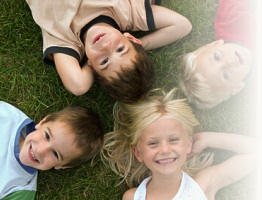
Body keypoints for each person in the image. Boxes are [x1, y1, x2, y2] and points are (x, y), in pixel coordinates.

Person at [101, 88, 256, 200]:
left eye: (173, 140)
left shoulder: (203, 183)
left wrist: (205, 139)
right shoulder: (133, 197)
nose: (165, 149)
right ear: (138, 153)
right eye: (153, 143)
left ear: (188, 144)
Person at [25, 0, 192, 103]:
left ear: (90, 66)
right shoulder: (127, 13)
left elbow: (78, 85)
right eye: (121, 49)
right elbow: (182, 25)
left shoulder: (66, 39)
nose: (106, 47)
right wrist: (140, 45)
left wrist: (94, 66)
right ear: (131, 39)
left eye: (104, 62)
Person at [0, 101, 104, 200]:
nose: (40, 150)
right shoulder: (6, 116)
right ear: (43, 121)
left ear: (63, 165)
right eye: (47, 136)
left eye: (55, 154)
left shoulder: (21, 190)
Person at [179, 0, 257, 109]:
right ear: (237, 87)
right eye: (225, 75)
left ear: (215, 44)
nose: (229, 61)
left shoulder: (230, 19)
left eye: (217, 57)